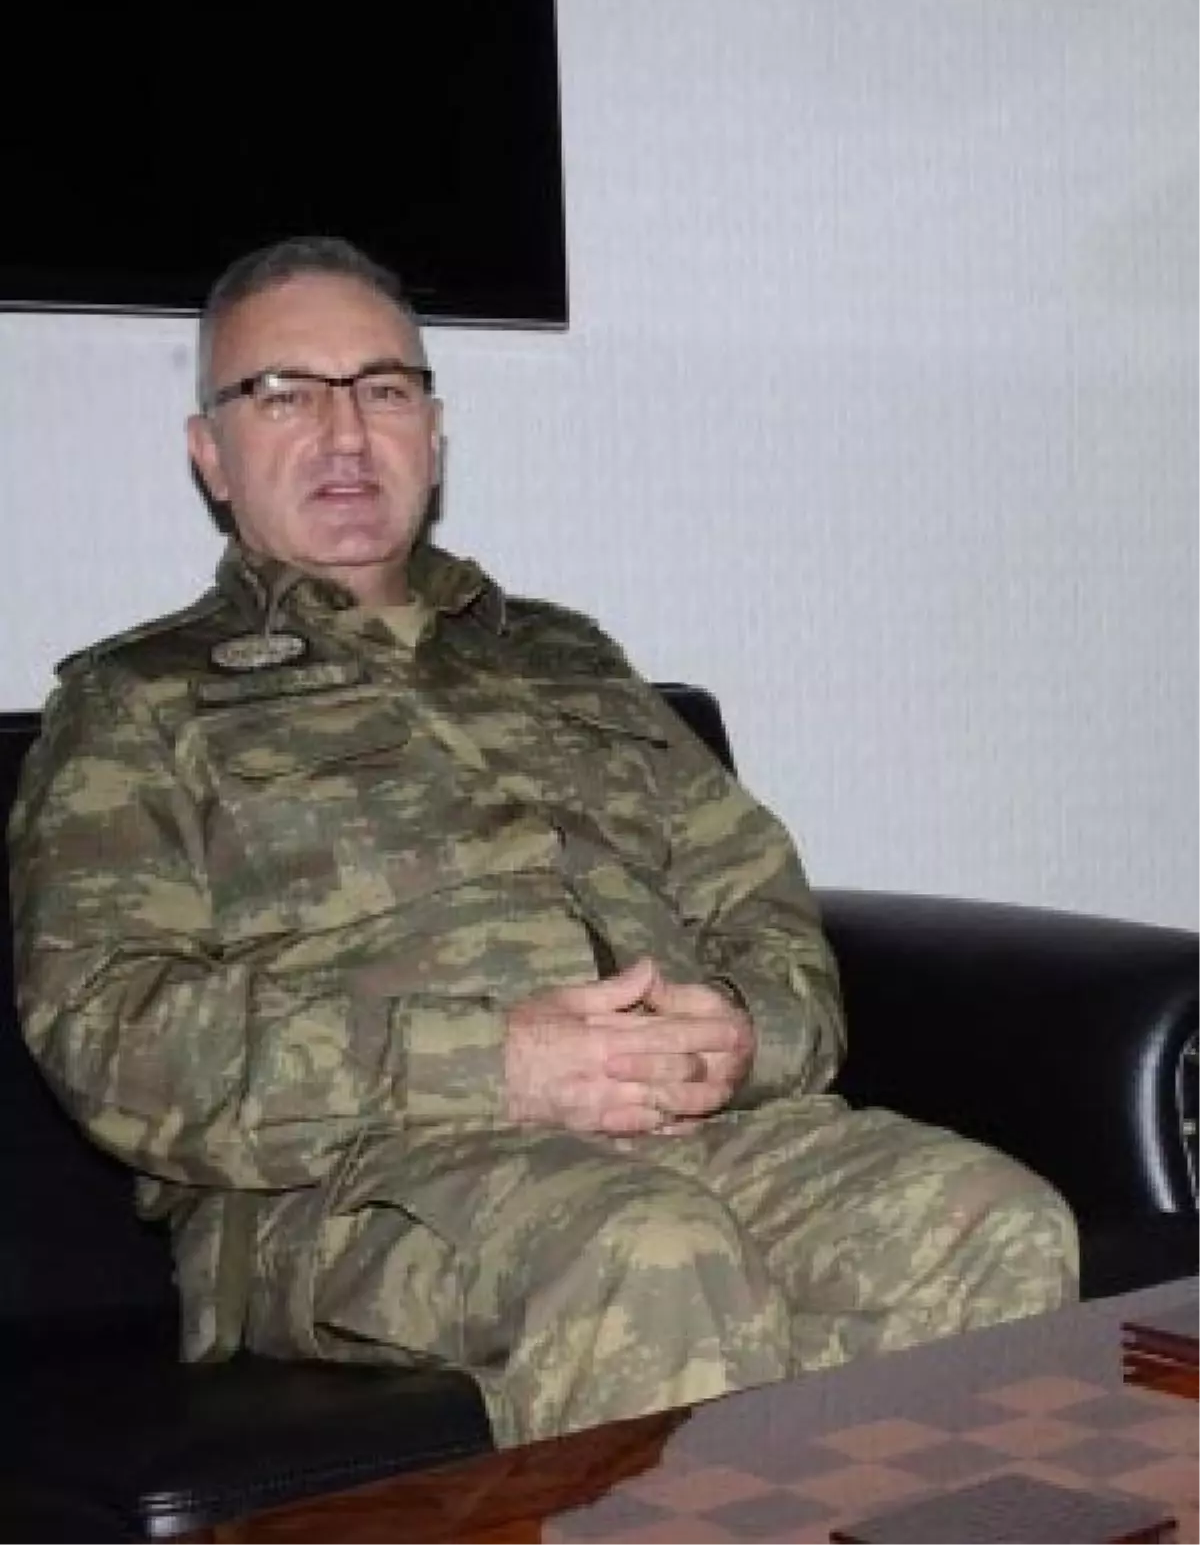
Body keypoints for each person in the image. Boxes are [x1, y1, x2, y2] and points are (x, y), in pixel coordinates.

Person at [9, 236, 1078, 1448]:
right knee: (650, 1252)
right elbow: (112, 1031)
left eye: (383, 388)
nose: (345, 432)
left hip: (698, 1130)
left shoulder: (565, 656)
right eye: (285, 393)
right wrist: (495, 1060)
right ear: (212, 450)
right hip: (352, 1182)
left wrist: (740, 1036)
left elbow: (756, 897)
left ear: (433, 429)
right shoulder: (137, 703)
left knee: (990, 1221)